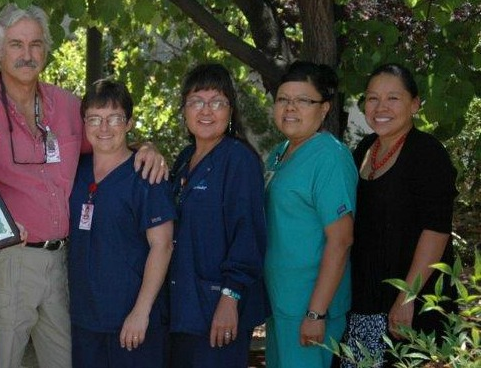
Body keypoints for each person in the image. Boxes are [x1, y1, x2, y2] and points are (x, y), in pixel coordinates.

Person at [0, 3, 167, 368]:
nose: (27, 54)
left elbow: (109, 139)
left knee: (64, 361)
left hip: (65, 262)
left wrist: (147, 148)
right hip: (10, 260)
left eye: (36, 45)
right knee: (2, 359)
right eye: (16, 45)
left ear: (46, 51)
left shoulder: (66, 106)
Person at [340, 64, 458, 367]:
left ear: (415, 104)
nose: (381, 108)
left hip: (411, 306)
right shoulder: (364, 148)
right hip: (364, 301)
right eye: (372, 98)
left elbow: (436, 230)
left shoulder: (428, 153)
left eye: (393, 98)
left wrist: (407, 297)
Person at [68, 79, 175, 367]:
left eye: (114, 118)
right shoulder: (74, 171)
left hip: (132, 322)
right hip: (84, 321)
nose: (104, 128)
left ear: (129, 123)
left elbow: (162, 246)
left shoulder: (146, 175)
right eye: (95, 119)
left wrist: (141, 312)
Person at [168, 63, 268, 368]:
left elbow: (248, 235)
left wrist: (230, 297)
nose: (206, 110)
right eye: (197, 101)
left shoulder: (240, 161)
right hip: (183, 305)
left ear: (231, 110)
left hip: (219, 308)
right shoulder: (185, 159)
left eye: (217, 102)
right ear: (184, 109)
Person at [263, 61, 357, 367]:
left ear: (325, 108)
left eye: (303, 100)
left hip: (311, 308)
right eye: (283, 99)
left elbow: (341, 240)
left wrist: (316, 313)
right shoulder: (280, 153)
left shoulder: (329, 156)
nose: (290, 108)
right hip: (281, 304)